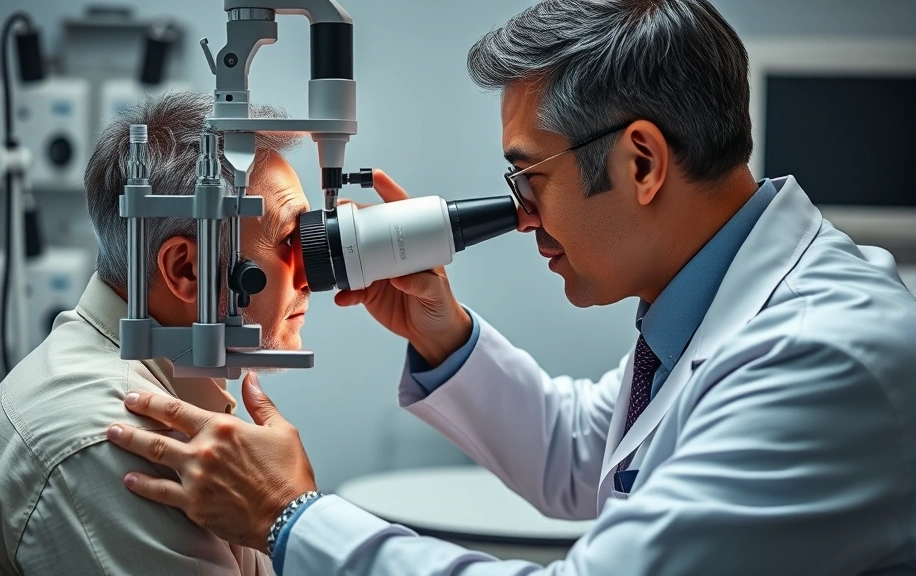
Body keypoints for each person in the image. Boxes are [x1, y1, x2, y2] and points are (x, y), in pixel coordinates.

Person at [104, 1, 916, 574]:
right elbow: (581, 456)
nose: (522, 218)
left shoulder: (823, 356)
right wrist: (441, 330)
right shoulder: (707, 313)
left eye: (529, 178)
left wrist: (293, 519)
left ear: (641, 162)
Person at [0, 91, 311, 576]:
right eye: (289, 240)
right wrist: (294, 511)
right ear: (187, 269)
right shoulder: (114, 448)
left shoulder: (160, 385)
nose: (309, 273)